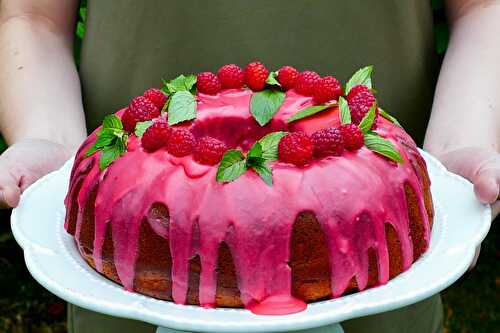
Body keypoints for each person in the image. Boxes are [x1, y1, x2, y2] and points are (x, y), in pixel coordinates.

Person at [0, 0, 498, 332]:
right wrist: (45, 135)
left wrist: (459, 149)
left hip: (377, 247)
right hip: (129, 237)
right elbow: (32, 15)